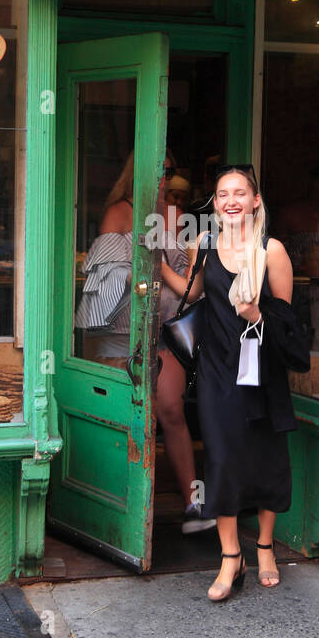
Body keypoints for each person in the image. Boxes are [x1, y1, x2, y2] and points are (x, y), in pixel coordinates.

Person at [165, 165, 307, 602]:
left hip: (261, 372)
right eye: (223, 193)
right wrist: (154, 271)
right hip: (215, 370)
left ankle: (264, 547)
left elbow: (288, 326)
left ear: (255, 201)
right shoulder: (202, 245)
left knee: (264, 457)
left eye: (240, 193)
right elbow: (194, 295)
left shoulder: (272, 251)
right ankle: (231, 556)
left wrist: (257, 316)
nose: (230, 200)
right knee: (222, 461)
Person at [91, 151, 216, 536]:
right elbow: (105, 271)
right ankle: (114, 507)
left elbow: (188, 276)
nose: (163, 178)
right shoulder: (120, 212)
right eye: (157, 170)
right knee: (121, 413)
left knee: (171, 411)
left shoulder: (178, 216)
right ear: (136, 172)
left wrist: (164, 264)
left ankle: (192, 503)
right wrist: (146, 270)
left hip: (167, 324)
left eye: (169, 171)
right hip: (123, 326)